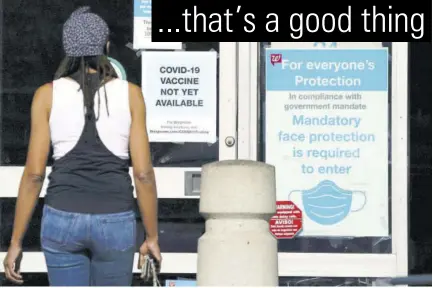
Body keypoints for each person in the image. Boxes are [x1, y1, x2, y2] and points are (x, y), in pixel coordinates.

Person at [3, 7, 161, 286]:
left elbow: (34, 175)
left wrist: (15, 241)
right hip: (115, 219)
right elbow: (144, 174)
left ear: (68, 51)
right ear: (107, 48)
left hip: (62, 217)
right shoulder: (131, 95)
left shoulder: (46, 95)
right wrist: (152, 237)